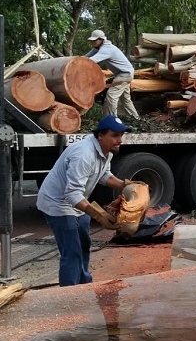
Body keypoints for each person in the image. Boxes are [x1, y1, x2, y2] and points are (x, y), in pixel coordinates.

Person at [37, 115, 138, 286]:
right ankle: (70, 293)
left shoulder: (106, 152)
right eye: (115, 135)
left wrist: (124, 184)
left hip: (78, 203)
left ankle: (84, 285)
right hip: (58, 204)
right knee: (72, 251)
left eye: (121, 135)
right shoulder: (84, 154)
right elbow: (71, 194)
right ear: (100, 135)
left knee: (84, 244)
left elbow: (103, 175)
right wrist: (99, 216)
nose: (120, 140)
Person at [85, 29, 140, 120]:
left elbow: (92, 61)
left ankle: (111, 121)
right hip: (124, 74)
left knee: (111, 96)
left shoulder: (106, 49)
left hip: (124, 75)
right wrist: (71, 60)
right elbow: (85, 57)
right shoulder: (98, 48)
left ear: (101, 39)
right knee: (125, 100)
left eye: (94, 40)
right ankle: (136, 118)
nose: (92, 42)